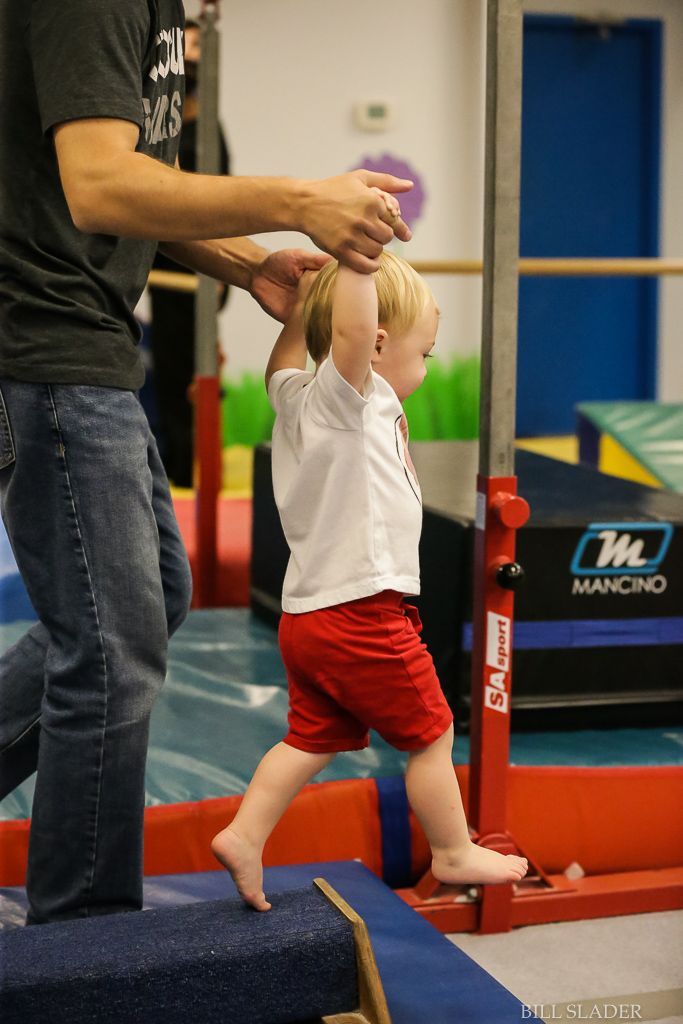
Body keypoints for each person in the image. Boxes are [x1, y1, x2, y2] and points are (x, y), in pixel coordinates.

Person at [0, 0, 412, 925]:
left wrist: (243, 264)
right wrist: (300, 198)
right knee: (110, 649)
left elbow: (133, 175)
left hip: (89, 341)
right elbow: (97, 185)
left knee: (152, 598)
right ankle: (85, 940)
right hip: (45, 346)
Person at [210, 216, 529, 911]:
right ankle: (451, 849)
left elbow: (279, 367)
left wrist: (295, 316)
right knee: (433, 730)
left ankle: (245, 833)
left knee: (310, 739)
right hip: (361, 611)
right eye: (426, 353)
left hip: (308, 619)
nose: (428, 366)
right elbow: (351, 339)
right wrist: (356, 260)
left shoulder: (299, 400)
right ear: (378, 344)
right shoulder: (349, 400)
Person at [148, 18, 231, 486]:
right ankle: (180, 467)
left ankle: (190, 469)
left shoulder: (207, 129)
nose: (194, 58)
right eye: (190, 48)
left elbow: (217, 196)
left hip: (199, 267)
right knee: (173, 367)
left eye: (201, 49)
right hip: (165, 266)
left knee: (194, 370)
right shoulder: (167, 123)